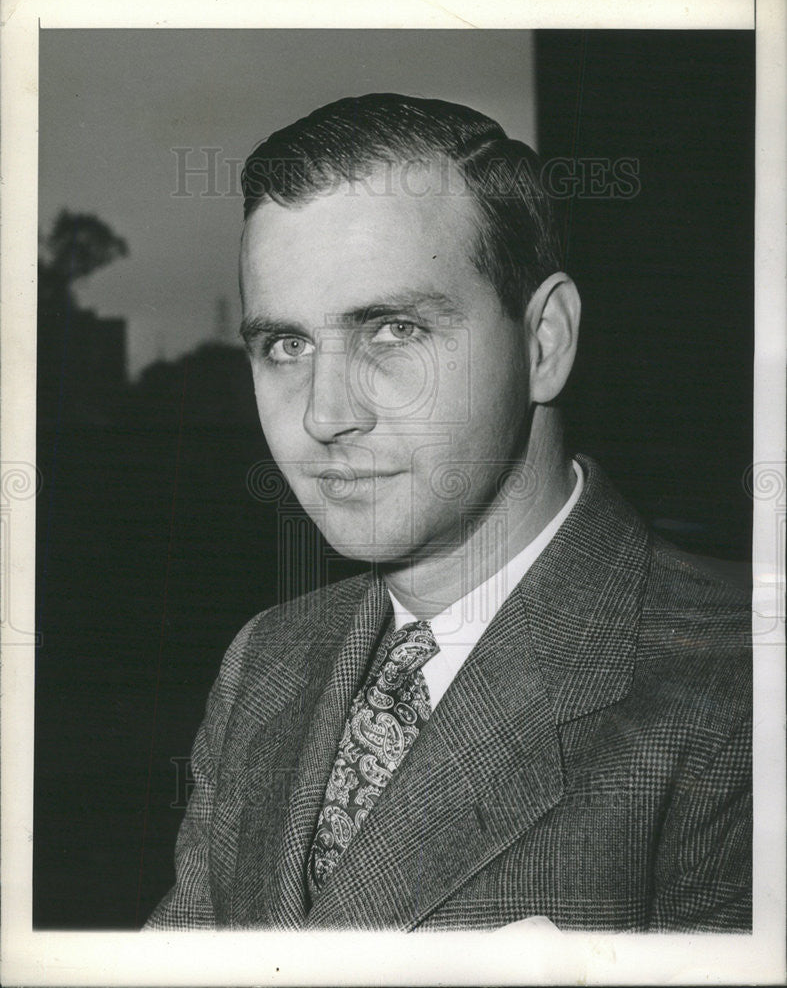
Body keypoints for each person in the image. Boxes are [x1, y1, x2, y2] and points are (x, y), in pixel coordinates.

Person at [145, 94, 751, 932]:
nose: (324, 415)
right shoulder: (268, 661)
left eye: (391, 330)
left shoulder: (740, 696)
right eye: (284, 345)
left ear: (543, 342)